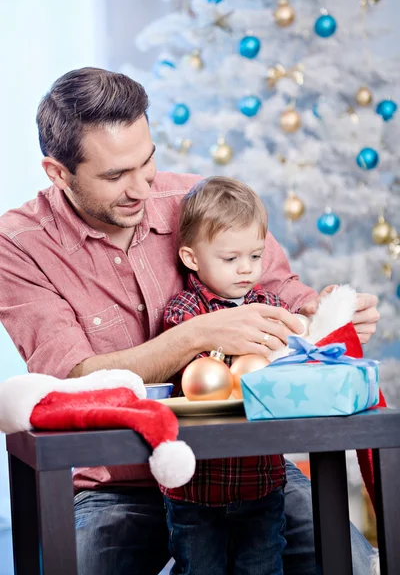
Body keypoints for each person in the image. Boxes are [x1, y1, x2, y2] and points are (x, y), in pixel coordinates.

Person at [0, 67, 379, 575]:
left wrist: (328, 312)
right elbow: (72, 379)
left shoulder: (195, 200)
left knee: (351, 562)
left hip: (240, 471)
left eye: (147, 161)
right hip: (117, 488)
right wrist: (197, 335)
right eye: (115, 176)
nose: (141, 188)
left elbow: (288, 297)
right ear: (58, 173)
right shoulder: (19, 246)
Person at [161, 176, 290, 575]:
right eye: (231, 259)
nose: (246, 270)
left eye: (255, 256)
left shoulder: (269, 305)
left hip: (261, 479)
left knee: (263, 568)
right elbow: (195, 374)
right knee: (200, 569)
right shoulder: (184, 312)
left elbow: (287, 358)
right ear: (192, 258)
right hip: (196, 487)